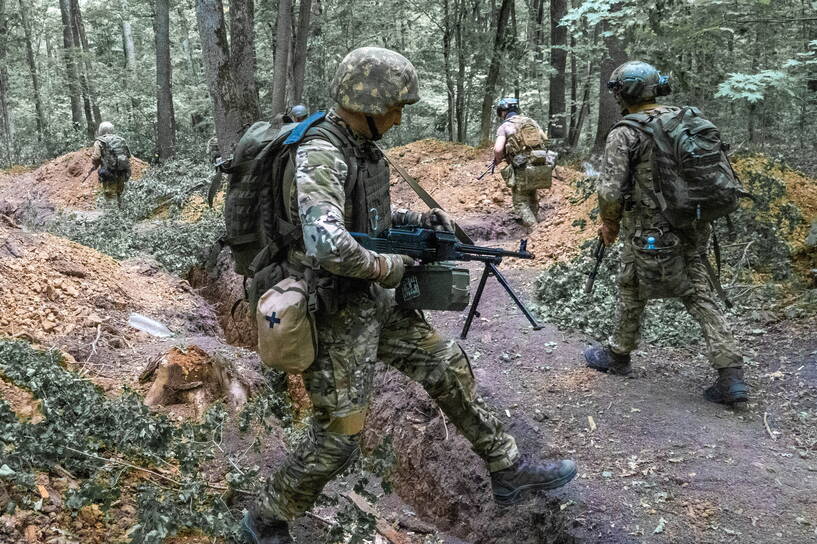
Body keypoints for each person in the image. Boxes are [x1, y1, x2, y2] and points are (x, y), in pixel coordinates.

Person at [240, 47, 577, 544]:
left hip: (371, 301)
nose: (400, 117)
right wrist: (388, 267)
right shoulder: (322, 152)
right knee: (338, 440)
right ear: (368, 102)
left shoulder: (362, 148)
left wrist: (421, 221)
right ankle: (266, 518)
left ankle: (507, 470)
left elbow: (366, 223)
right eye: (396, 106)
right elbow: (326, 242)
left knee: (445, 362)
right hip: (331, 310)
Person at [583, 60, 748, 408]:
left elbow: (610, 191)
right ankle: (730, 373)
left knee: (631, 284)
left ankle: (619, 354)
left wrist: (609, 223)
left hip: (647, 228)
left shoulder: (625, 132)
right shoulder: (683, 119)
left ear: (623, 93)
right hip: (693, 222)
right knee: (698, 289)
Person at [493, 98, 554, 228]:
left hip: (521, 166)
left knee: (520, 202)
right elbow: (545, 140)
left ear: (504, 112)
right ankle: (538, 224)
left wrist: (499, 159)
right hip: (538, 164)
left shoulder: (505, 126)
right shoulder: (531, 122)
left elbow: (498, 149)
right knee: (532, 195)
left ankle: (535, 230)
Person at [91, 122, 131, 208]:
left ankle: (112, 215)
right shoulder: (121, 140)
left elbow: (96, 157)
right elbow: (128, 155)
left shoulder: (99, 142)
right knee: (120, 193)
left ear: (101, 130)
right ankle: (123, 215)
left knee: (110, 195)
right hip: (122, 170)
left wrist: (95, 165)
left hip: (109, 172)